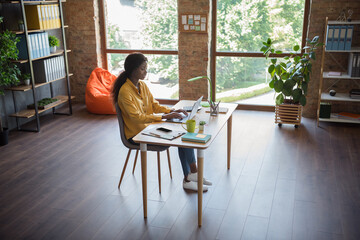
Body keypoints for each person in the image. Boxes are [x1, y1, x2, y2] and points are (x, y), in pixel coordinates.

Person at [112, 52, 212, 191]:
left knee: (183, 135)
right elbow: (137, 117)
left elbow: (154, 105)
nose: (146, 72)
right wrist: (164, 117)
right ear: (133, 70)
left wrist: (170, 112)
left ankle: (190, 177)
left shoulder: (142, 86)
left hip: (149, 129)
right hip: (137, 135)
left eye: (146, 68)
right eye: (142, 69)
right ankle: (192, 175)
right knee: (182, 137)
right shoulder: (125, 92)